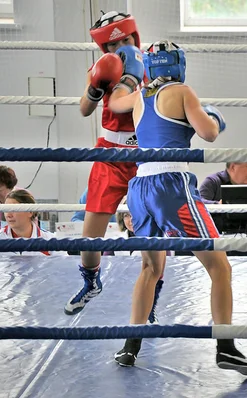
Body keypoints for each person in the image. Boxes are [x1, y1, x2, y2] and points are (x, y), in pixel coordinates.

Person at [107, 40, 247, 375]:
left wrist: (130, 76)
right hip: (171, 186)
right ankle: (227, 348)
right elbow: (208, 133)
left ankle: (130, 348)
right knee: (220, 266)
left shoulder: (140, 96)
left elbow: (114, 102)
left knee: (150, 269)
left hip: (139, 188)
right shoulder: (181, 90)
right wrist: (215, 117)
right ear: (179, 65)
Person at [64, 11, 150, 316]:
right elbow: (85, 110)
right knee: (90, 237)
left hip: (145, 157)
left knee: (149, 236)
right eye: (116, 44)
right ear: (106, 49)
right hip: (110, 156)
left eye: (127, 39)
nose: (124, 47)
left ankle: (149, 299)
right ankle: (91, 282)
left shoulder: (152, 64)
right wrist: (95, 87)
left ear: (134, 36)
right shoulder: (100, 68)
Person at [0, 189, 55, 255]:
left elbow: (60, 266)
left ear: (30, 212)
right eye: (6, 209)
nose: (8, 215)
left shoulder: (51, 241)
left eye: (14, 210)